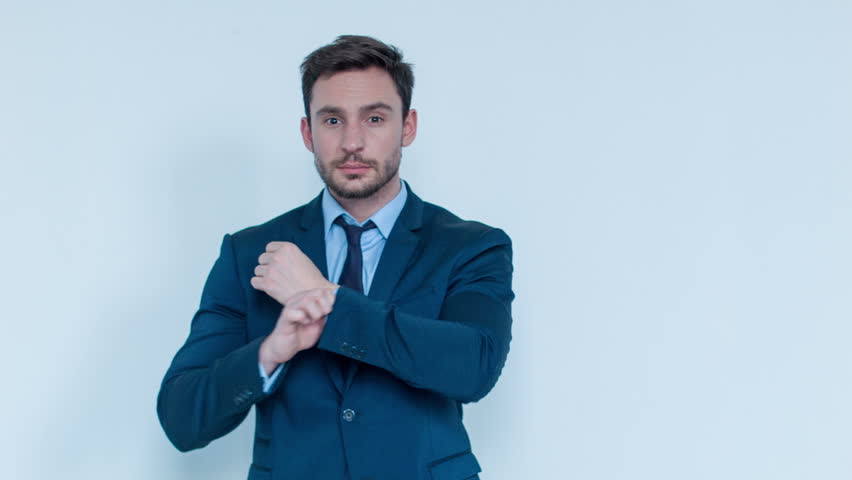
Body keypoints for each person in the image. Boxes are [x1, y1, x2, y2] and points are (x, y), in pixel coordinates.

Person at [157, 35, 515, 480]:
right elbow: (181, 418)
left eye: (375, 118)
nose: (352, 142)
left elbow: (473, 368)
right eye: (332, 120)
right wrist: (269, 353)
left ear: (408, 127)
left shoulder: (469, 246)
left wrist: (324, 300)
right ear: (308, 133)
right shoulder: (250, 253)